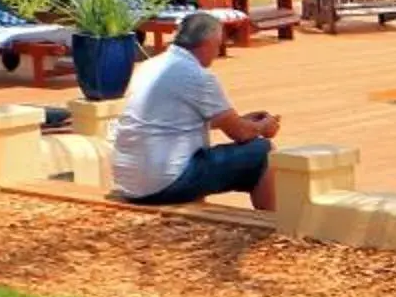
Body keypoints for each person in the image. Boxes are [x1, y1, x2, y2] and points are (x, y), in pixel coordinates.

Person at [110, 12, 281, 208]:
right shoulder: (199, 77)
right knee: (262, 152)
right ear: (208, 42)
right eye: (218, 46)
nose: (217, 53)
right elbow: (241, 133)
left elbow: (175, 121)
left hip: (129, 183)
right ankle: (269, 224)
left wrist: (242, 119)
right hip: (164, 184)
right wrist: (263, 127)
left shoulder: (149, 66)